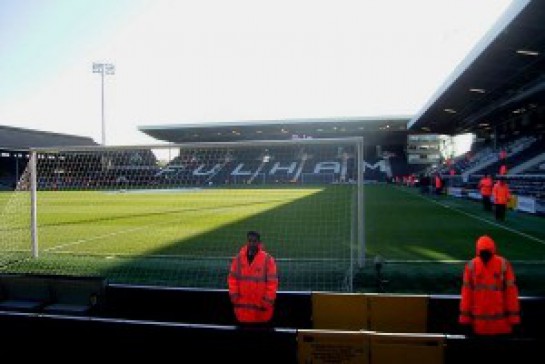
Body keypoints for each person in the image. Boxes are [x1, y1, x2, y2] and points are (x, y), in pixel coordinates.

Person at [459, 235, 520, 336]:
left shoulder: (471, 265)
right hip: (499, 326)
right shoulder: (503, 264)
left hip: (481, 326)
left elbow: (466, 296)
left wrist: (465, 319)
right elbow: (511, 295)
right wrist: (514, 319)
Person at [228, 231, 278, 326]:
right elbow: (232, 279)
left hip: (261, 313)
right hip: (242, 313)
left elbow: (272, 283)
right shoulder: (238, 259)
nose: (251, 244)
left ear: (259, 242)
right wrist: (234, 296)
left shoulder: (268, 260)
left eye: (254, 241)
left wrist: (267, 302)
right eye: (250, 241)